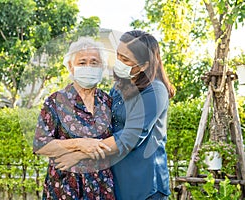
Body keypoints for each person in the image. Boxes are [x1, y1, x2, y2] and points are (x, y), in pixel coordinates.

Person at [54, 30, 175, 200]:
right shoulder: (119, 87)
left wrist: (80, 155)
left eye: (126, 59)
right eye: (118, 55)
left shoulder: (155, 90)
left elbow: (129, 137)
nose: (119, 62)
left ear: (144, 65)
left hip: (145, 182)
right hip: (118, 178)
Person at [33, 37, 115, 199]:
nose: (88, 67)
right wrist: (79, 144)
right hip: (65, 187)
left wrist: (81, 154)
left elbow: (120, 141)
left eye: (94, 62)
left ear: (102, 67)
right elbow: (40, 145)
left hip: (102, 186)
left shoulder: (108, 102)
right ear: (71, 67)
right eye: (82, 62)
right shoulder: (56, 101)